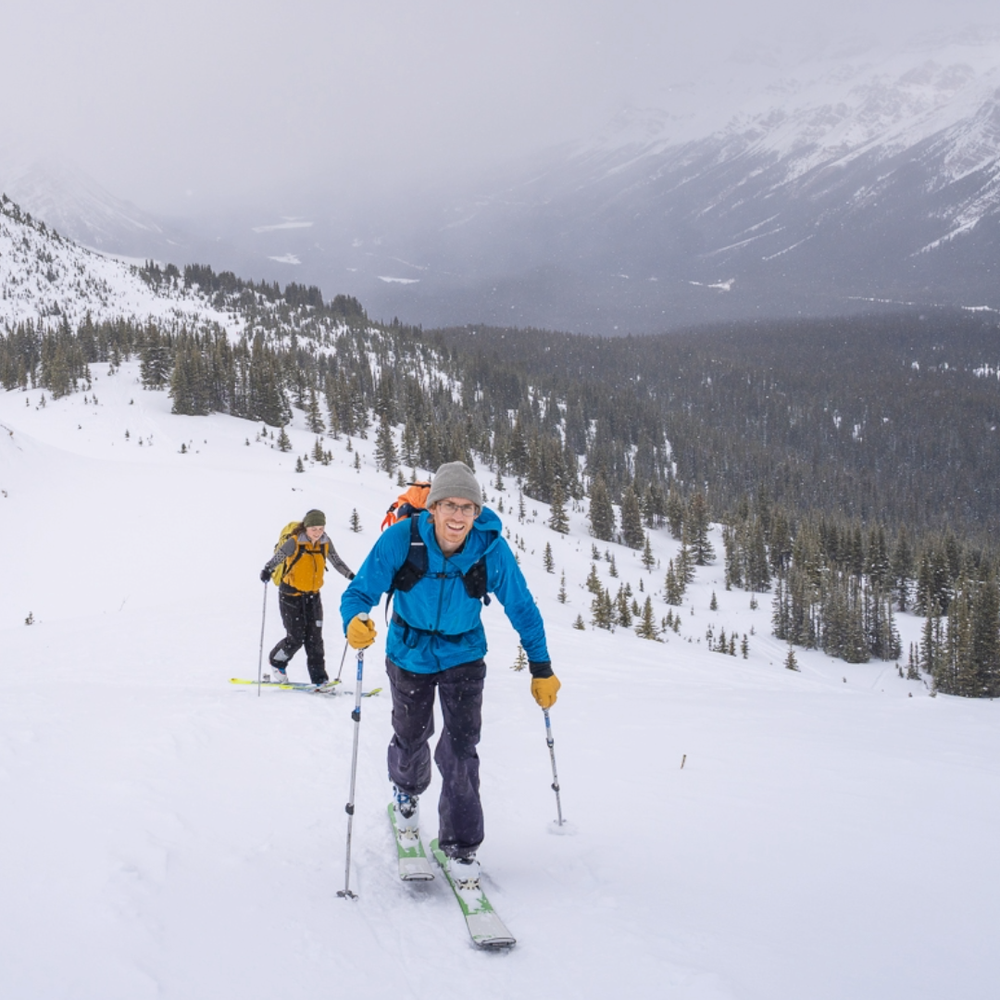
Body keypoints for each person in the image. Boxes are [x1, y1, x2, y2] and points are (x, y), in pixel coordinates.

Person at [340, 461, 560, 889]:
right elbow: (359, 591)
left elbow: (523, 608)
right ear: (433, 508)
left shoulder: (489, 548)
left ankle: (461, 846)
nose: (459, 517)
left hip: (463, 653)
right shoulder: (401, 540)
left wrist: (542, 666)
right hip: (408, 652)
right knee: (411, 737)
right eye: (449, 506)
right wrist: (355, 619)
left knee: (461, 750)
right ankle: (406, 795)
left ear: (477, 512)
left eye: (468, 508)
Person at [260, 509, 355, 687]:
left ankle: (320, 679)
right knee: (296, 637)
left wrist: (351, 576)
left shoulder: (325, 542)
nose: (317, 532)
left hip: (313, 597)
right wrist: (267, 570)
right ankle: (277, 661)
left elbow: (337, 561)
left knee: (315, 639)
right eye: (314, 529)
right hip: (290, 595)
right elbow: (277, 559)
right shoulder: (294, 542)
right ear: (306, 527)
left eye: (321, 528)